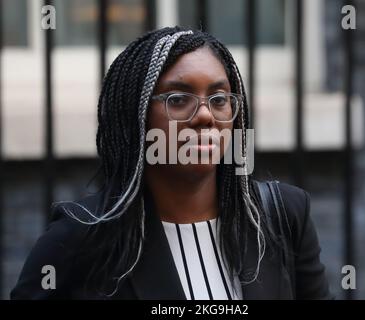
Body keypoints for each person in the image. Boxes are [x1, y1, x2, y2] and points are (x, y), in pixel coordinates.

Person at [10, 26, 332, 300]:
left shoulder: (284, 216)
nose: (206, 115)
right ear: (135, 118)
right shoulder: (80, 239)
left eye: (219, 99)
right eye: (178, 100)